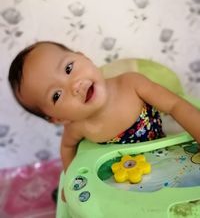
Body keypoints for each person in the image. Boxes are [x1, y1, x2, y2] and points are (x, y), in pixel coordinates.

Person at [8, 41, 200, 171]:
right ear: (59, 119)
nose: (74, 85)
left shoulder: (132, 84)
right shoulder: (76, 126)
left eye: (68, 68)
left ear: (84, 57)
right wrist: (70, 180)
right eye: (56, 95)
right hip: (123, 179)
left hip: (166, 159)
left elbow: (175, 105)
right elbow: (67, 148)